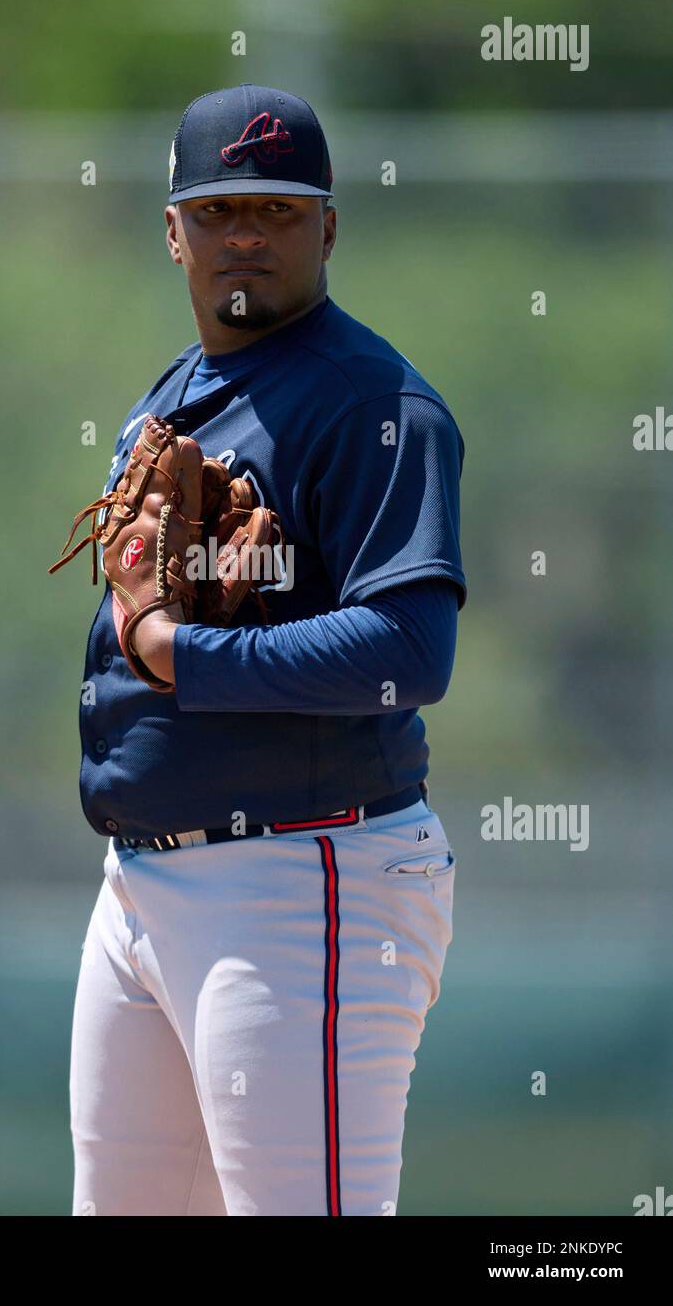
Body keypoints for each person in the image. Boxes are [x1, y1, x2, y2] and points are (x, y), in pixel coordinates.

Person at [67, 84, 467, 1216]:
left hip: (302, 878)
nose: (246, 232)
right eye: (220, 206)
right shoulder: (179, 391)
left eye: (280, 210)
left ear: (329, 228)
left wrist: (174, 654)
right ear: (172, 230)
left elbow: (409, 648)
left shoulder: (375, 404)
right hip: (141, 885)